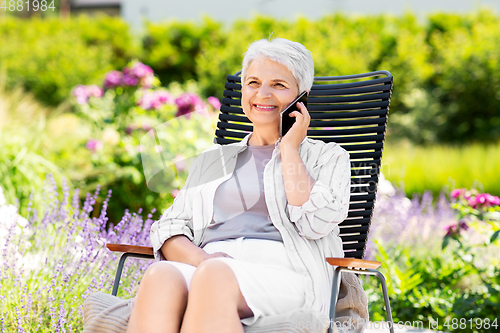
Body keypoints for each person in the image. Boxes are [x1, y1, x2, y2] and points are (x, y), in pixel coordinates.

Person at [126, 38, 351, 333]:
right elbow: (170, 228)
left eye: (279, 85)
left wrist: (290, 149)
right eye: (253, 82)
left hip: (287, 275)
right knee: (161, 276)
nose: (263, 94)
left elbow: (315, 223)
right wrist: (204, 260)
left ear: (302, 97)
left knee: (216, 276)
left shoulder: (328, 157)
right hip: (211, 267)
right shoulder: (213, 159)